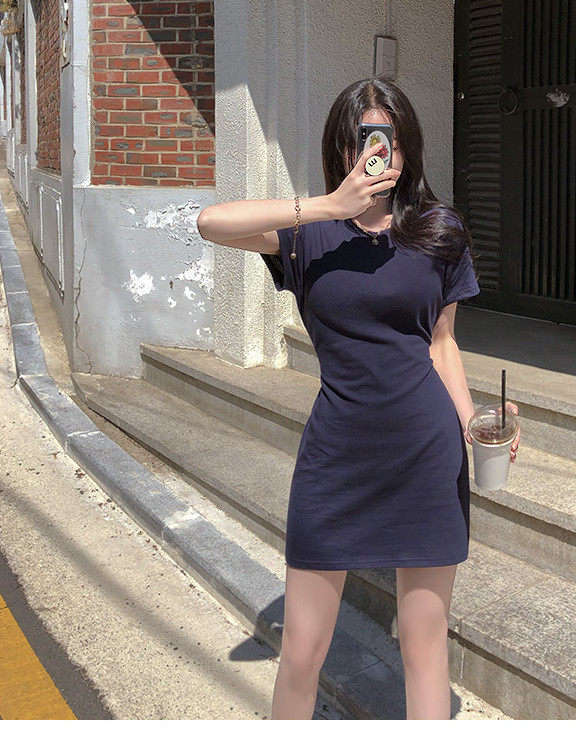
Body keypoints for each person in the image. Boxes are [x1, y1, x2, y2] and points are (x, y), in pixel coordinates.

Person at [197, 76, 521, 720]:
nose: (379, 154)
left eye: (389, 140)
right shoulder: (308, 234)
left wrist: (475, 424)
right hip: (337, 459)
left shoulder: (438, 231)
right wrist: (326, 206)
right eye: (365, 139)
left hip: (425, 455)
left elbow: (442, 345)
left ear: (408, 147)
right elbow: (211, 223)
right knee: (301, 652)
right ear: (343, 148)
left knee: (424, 649)